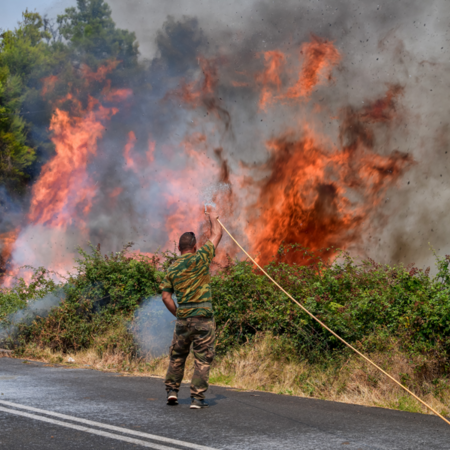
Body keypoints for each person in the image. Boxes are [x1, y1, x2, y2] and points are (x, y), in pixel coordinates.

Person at [160, 208, 223, 409]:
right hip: (203, 318)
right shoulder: (201, 257)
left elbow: (165, 296)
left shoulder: (172, 268)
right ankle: (196, 399)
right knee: (202, 360)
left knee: (178, 356)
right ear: (195, 247)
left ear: (179, 248)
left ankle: (172, 391)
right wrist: (213, 217)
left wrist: (178, 313)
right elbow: (217, 234)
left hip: (183, 319)